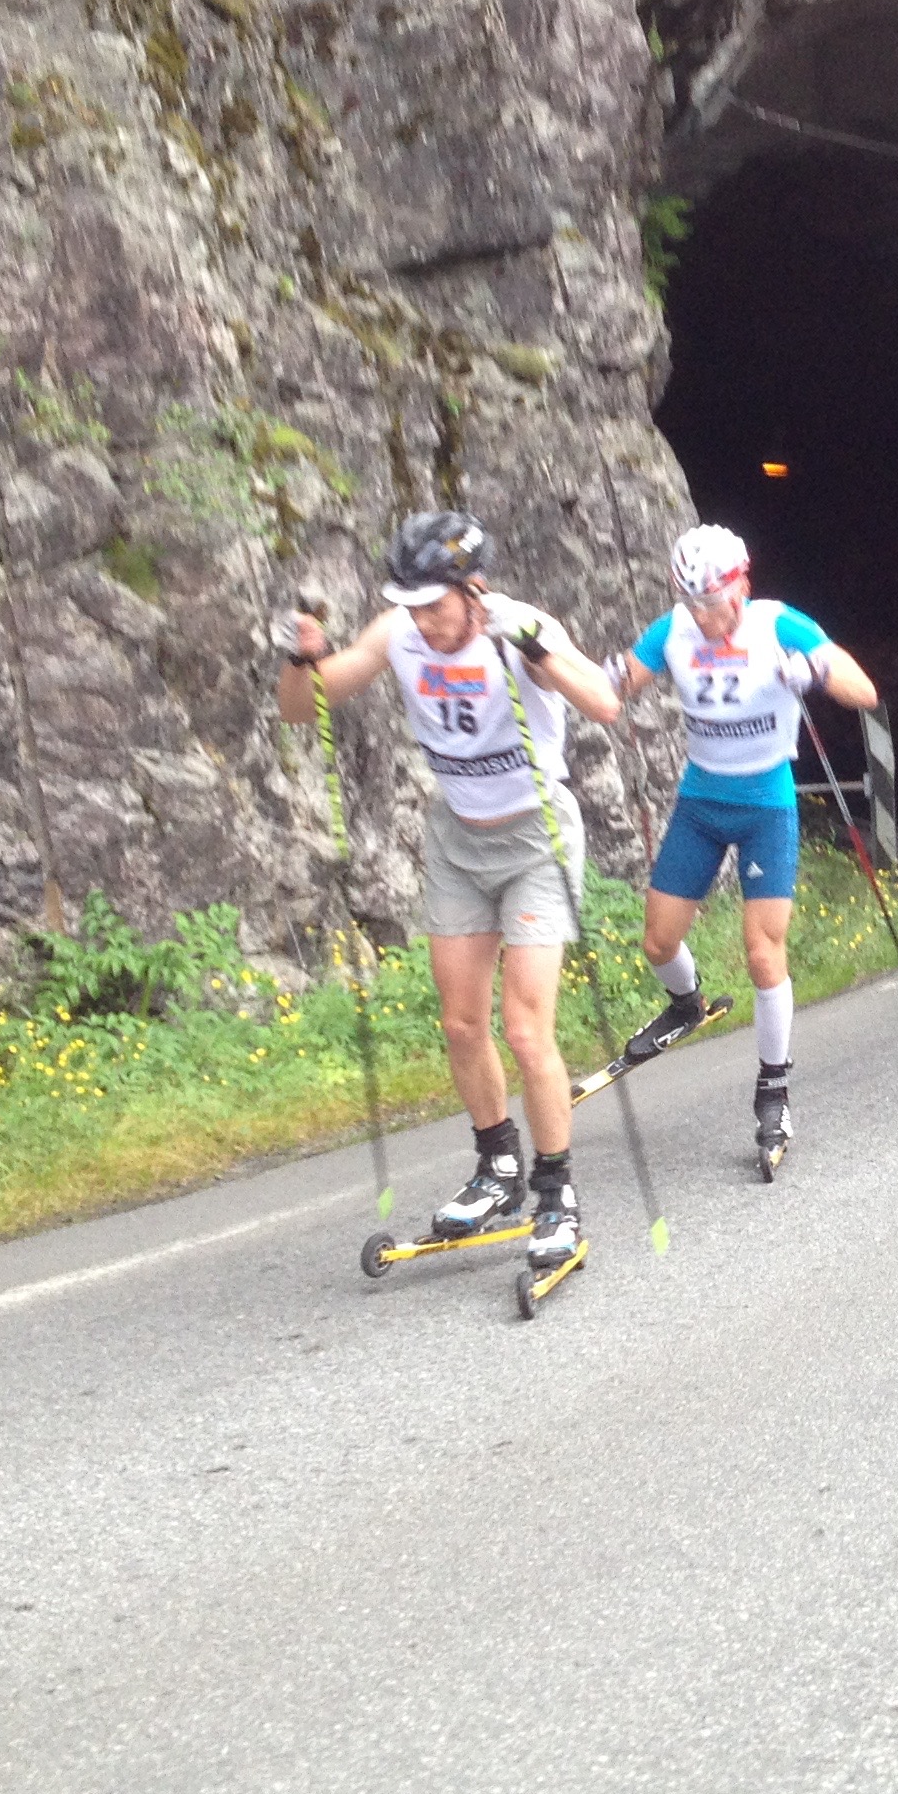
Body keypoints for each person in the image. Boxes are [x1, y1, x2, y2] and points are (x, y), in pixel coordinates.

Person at [274, 511, 623, 1270]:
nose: (424, 622)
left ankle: (556, 1192)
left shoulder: (518, 627)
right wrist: (300, 659)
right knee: (462, 1025)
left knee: (527, 1029)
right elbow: (304, 709)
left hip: (538, 839)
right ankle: (498, 1166)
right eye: (412, 605)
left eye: (437, 605)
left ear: (476, 591)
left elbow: (603, 703)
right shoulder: (397, 631)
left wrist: (534, 648)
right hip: (459, 840)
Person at [610, 523, 881, 1169]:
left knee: (763, 953)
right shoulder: (673, 631)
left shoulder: (777, 624)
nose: (705, 619)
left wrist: (813, 668)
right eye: (693, 605)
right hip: (701, 804)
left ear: (742, 587)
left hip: (766, 806)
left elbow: (863, 689)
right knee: (657, 941)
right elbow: (619, 681)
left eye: (715, 604)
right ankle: (686, 1002)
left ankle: (774, 1090)